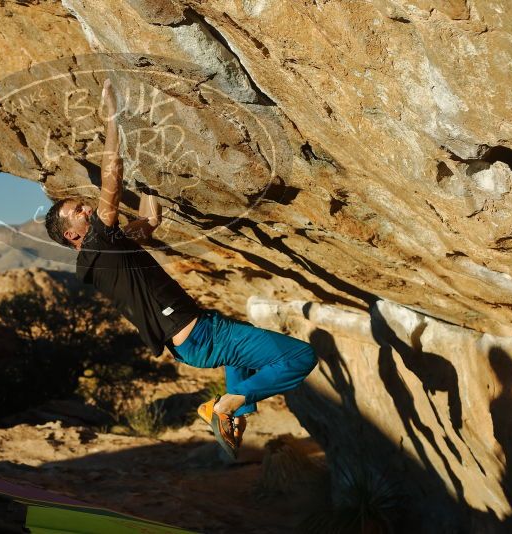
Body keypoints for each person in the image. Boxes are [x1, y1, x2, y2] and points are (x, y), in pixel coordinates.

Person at [44, 81, 317, 459]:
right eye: (77, 212)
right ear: (73, 235)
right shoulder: (96, 244)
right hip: (201, 335)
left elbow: (149, 221)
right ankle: (222, 407)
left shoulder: (105, 252)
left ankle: (235, 414)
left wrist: (151, 180)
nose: (86, 208)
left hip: (190, 343)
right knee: (300, 357)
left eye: (82, 205)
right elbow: (111, 175)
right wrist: (111, 117)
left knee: (242, 355)